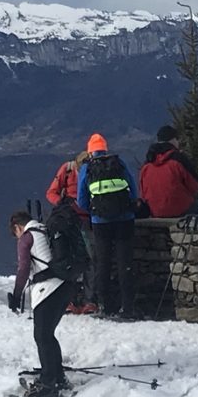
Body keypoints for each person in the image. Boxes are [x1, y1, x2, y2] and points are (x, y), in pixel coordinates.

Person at [8, 210, 81, 397]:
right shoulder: (46, 229)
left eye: (14, 233)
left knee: (41, 336)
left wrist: (16, 295)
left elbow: (23, 268)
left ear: (17, 226)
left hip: (48, 289)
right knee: (47, 334)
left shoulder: (26, 237)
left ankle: (48, 385)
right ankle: (56, 376)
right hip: (66, 286)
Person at [77, 133, 138, 319]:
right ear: (105, 149)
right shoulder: (119, 163)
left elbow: (81, 200)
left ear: (90, 152)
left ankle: (105, 306)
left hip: (100, 223)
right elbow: (133, 191)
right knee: (124, 263)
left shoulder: (87, 169)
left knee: (102, 264)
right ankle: (127, 308)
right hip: (125, 220)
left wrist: (96, 211)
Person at [46, 150, 97, 313]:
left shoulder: (70, 170)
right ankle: (79, 300)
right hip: (74, 220)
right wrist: (64, 205)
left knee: (85, 259)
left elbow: (51, 193)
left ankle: (77, 300)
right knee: (83, 259)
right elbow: (51, 193)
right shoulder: (68, 170)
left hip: (81, 221)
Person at [140, 125, 198, 218]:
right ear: (173, 140)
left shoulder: (147, 164)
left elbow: (142, 191)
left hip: (154, 211)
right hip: (179, 210)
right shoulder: (179, 160)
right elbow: (195, 186)